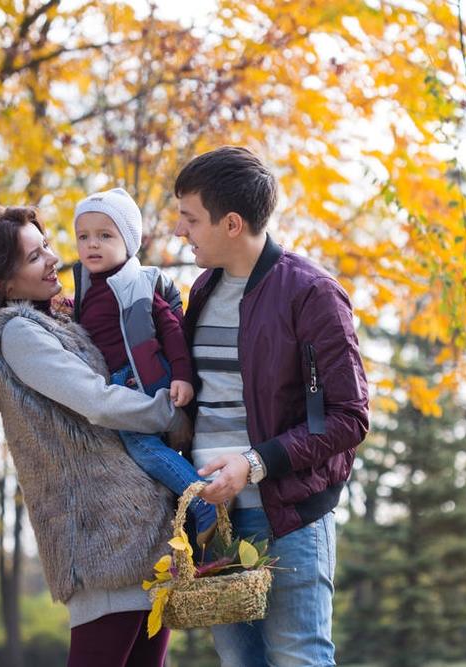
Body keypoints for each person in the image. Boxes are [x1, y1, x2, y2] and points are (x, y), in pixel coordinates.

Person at [0, 204, 189, 666]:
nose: (54, 258)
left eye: (47, 247)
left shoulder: (54, 321)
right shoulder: (17, 333)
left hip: (138, 532)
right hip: (103, 540)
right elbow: (97, 401)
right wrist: (169, 414)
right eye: (35, 256)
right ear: (1, 282)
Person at [173, 146, 370, 666]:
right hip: (215, 520)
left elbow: (349, 417)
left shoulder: (313, 294)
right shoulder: (203, 289)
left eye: (190, 219)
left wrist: (253, 463)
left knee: (298, 658)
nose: (180, 231)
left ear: (232, 223)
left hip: (288, 518)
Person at [71, 187, 216, 542]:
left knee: (144, 448)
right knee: (143, 453)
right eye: (84, 237)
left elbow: (172, 332)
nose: (92, 245)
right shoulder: (90, 285)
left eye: (105, 236)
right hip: (119, 381)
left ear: (128, 243)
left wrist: (182, 375)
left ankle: (203, 503)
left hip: (143, 377)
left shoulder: (138, 283)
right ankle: (183, 515)